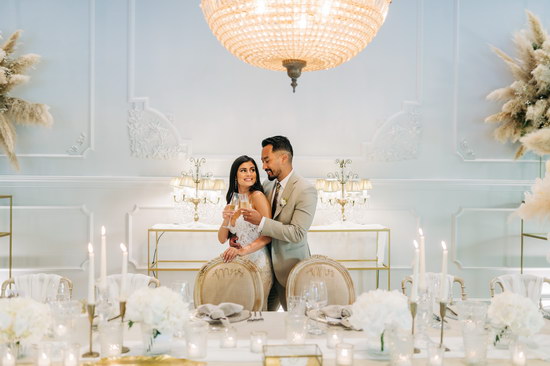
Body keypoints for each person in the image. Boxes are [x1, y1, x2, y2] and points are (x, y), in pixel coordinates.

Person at [239, 136, 318, 310]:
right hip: (264, 268)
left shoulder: (305, 190)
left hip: (290, 270)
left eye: (267, 160)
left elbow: (297, 233)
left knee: (296, 320)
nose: (264, 166)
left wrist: (262, 222)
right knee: (260, 319)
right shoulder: (267, 186)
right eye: (262, 161)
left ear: (283, 158)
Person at [218, 155, 273, 310]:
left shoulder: (258, 196)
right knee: (238, 310)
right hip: (238, 261)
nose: (249, 174)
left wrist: (242, 250)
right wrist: (225, 219)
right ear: (235, 176)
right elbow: (222, 239)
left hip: (258, 261)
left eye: (252, 170)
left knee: (256, 310)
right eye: (243, 170)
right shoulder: (234, 200)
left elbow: (268, 235)